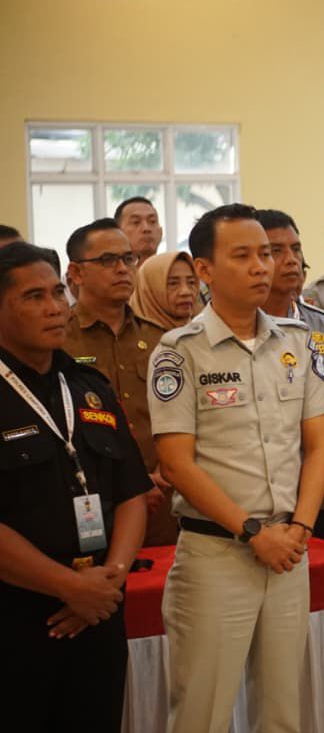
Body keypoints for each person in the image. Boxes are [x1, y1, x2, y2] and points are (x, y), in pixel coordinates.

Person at [150, 203, 324, 733]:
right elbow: (177, 462)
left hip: (288, 551)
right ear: (204, 268)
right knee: (200, 726)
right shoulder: (180, 351)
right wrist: (254, 531)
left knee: (282, 720)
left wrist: (299, 526)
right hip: (218, 555)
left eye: (268, 253)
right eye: (244, 255)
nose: (263, 266)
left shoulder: (295, 342)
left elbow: (318, 444)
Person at [0, 242, 151, 733]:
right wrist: (68, 586)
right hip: (16, 618)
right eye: (33, 297)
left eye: (57, 292)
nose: (55, 307)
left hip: (96, 615)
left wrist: (109, 580)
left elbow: (131, 492)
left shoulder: (87, 386)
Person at [62, 219, 174, 546]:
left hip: (163, 495)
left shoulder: (160, 339)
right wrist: (132, 485)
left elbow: (182, 416)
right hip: (93, 500)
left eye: (128, 258)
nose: (123, 269)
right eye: (108, 260)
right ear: (76, 273)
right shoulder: (58, 340)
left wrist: (160, 474)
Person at [257, 209, 324, 543]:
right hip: (256, 499)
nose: (291, 260)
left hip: (319, 496)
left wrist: (321, 476)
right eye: (276, 251)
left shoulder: (322, 326)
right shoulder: (231, 327)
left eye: (295, 249)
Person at [131, 250, 200, 331]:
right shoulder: (135, 336)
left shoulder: (201, 332)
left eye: (191, 282)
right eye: (173, 283)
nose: (186, 292)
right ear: (149, 291)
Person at [114, 196, 163, 263]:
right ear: (118, 234)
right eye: (136, 222)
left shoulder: (172, 268)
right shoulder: (107, 269)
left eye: (152, 221)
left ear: (161, 232)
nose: (146, 228)